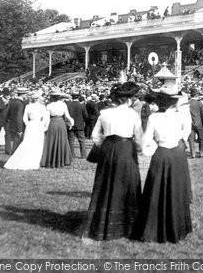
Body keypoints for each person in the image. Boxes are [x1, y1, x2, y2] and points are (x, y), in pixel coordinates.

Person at [81, 82, 143, 241]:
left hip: (109, 148)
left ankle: (102, 219)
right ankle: (127, 223)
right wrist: (138, 148)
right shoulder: (132, 114)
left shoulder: (104, 113)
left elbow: (95, 136)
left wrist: (106, 146)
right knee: (127, 182)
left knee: (106, 183)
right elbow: (138, 137)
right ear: (128, 100)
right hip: (126, 149)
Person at [133, 88, 193, 243]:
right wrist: (180, 139)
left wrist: (153, 149)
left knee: (156, 189)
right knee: (177, 189)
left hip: (161, 153)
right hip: (177, 154)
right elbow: (186, 132)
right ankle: (178, 228)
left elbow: (147, 139)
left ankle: (153, 227)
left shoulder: (154, 117)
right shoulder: (181, 116)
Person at [4, 91, 49, 170]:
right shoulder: (39, 106)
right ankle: (33, 161)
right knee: (35, 143)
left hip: (32, 125)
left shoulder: (29, 106)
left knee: (30, 142)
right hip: (36, 124)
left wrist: (28, 124)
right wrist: (44, 126)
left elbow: (25, 118)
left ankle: (32, 161)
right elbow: (45, 118)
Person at [40, 91, 74, 168]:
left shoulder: (49, 105)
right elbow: (67, 116)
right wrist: (71, 123)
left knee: (51, 141)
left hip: (53, 123)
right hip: (61, 123)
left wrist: (44, 127)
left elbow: (46, 118)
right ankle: (62, 160)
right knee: (62, 141)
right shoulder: (63, 105)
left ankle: (50, 160)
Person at [4, 87, 27, 154]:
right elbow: (19, 116)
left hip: (11, 123)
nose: (26, 95)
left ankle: (11, 152)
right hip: (18, 124)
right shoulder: (20, 103)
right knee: (17, 142)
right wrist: (20, 128)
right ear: (23, 94)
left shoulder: (12, 101)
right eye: (25, 94)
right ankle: (13, 154)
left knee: (14, 140)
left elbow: (8, 113)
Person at [67, 94, 88, 159]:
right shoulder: (81, 105)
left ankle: (71, 154)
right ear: (78, 98)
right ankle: (83, 155)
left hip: (71, 125)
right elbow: (86, 116)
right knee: (82, 141)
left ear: (72, 97)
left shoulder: (68, 105)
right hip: (80, 125)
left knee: (71, 140)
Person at [189, 89, 203, 157]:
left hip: (190, 123)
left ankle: (193, 153)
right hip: (199, 123)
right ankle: (201, 152)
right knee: (201, 139)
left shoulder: (188, 103)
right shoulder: (199, 103)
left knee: (191, 139)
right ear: (196, 95)